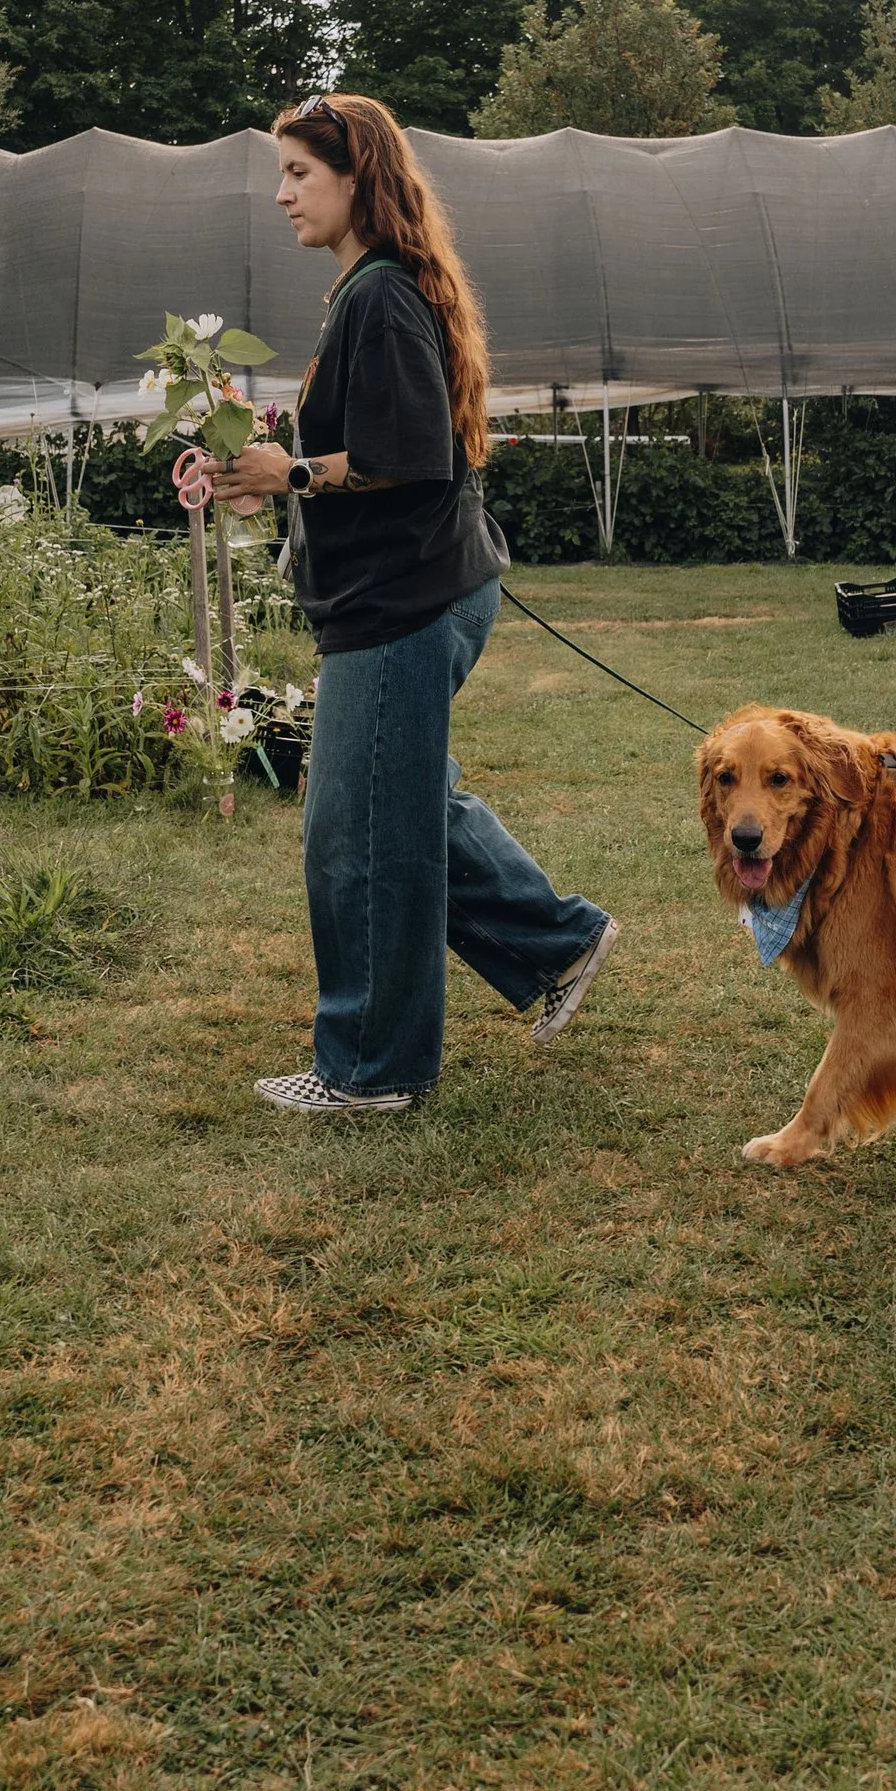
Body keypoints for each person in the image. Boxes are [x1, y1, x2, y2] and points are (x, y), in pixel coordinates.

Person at [182, 91, 617, 1116]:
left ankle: (373, 1072)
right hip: (408, 595)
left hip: (406, 603)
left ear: (354, 178)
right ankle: (557, 939)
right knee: (402, 804)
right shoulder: (365, 291)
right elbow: (354, 448)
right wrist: (252, 469)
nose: (281, 193)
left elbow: (408, 457)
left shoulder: (379, 294)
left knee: (357, 835)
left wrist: (287, 476)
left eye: (298, 172)